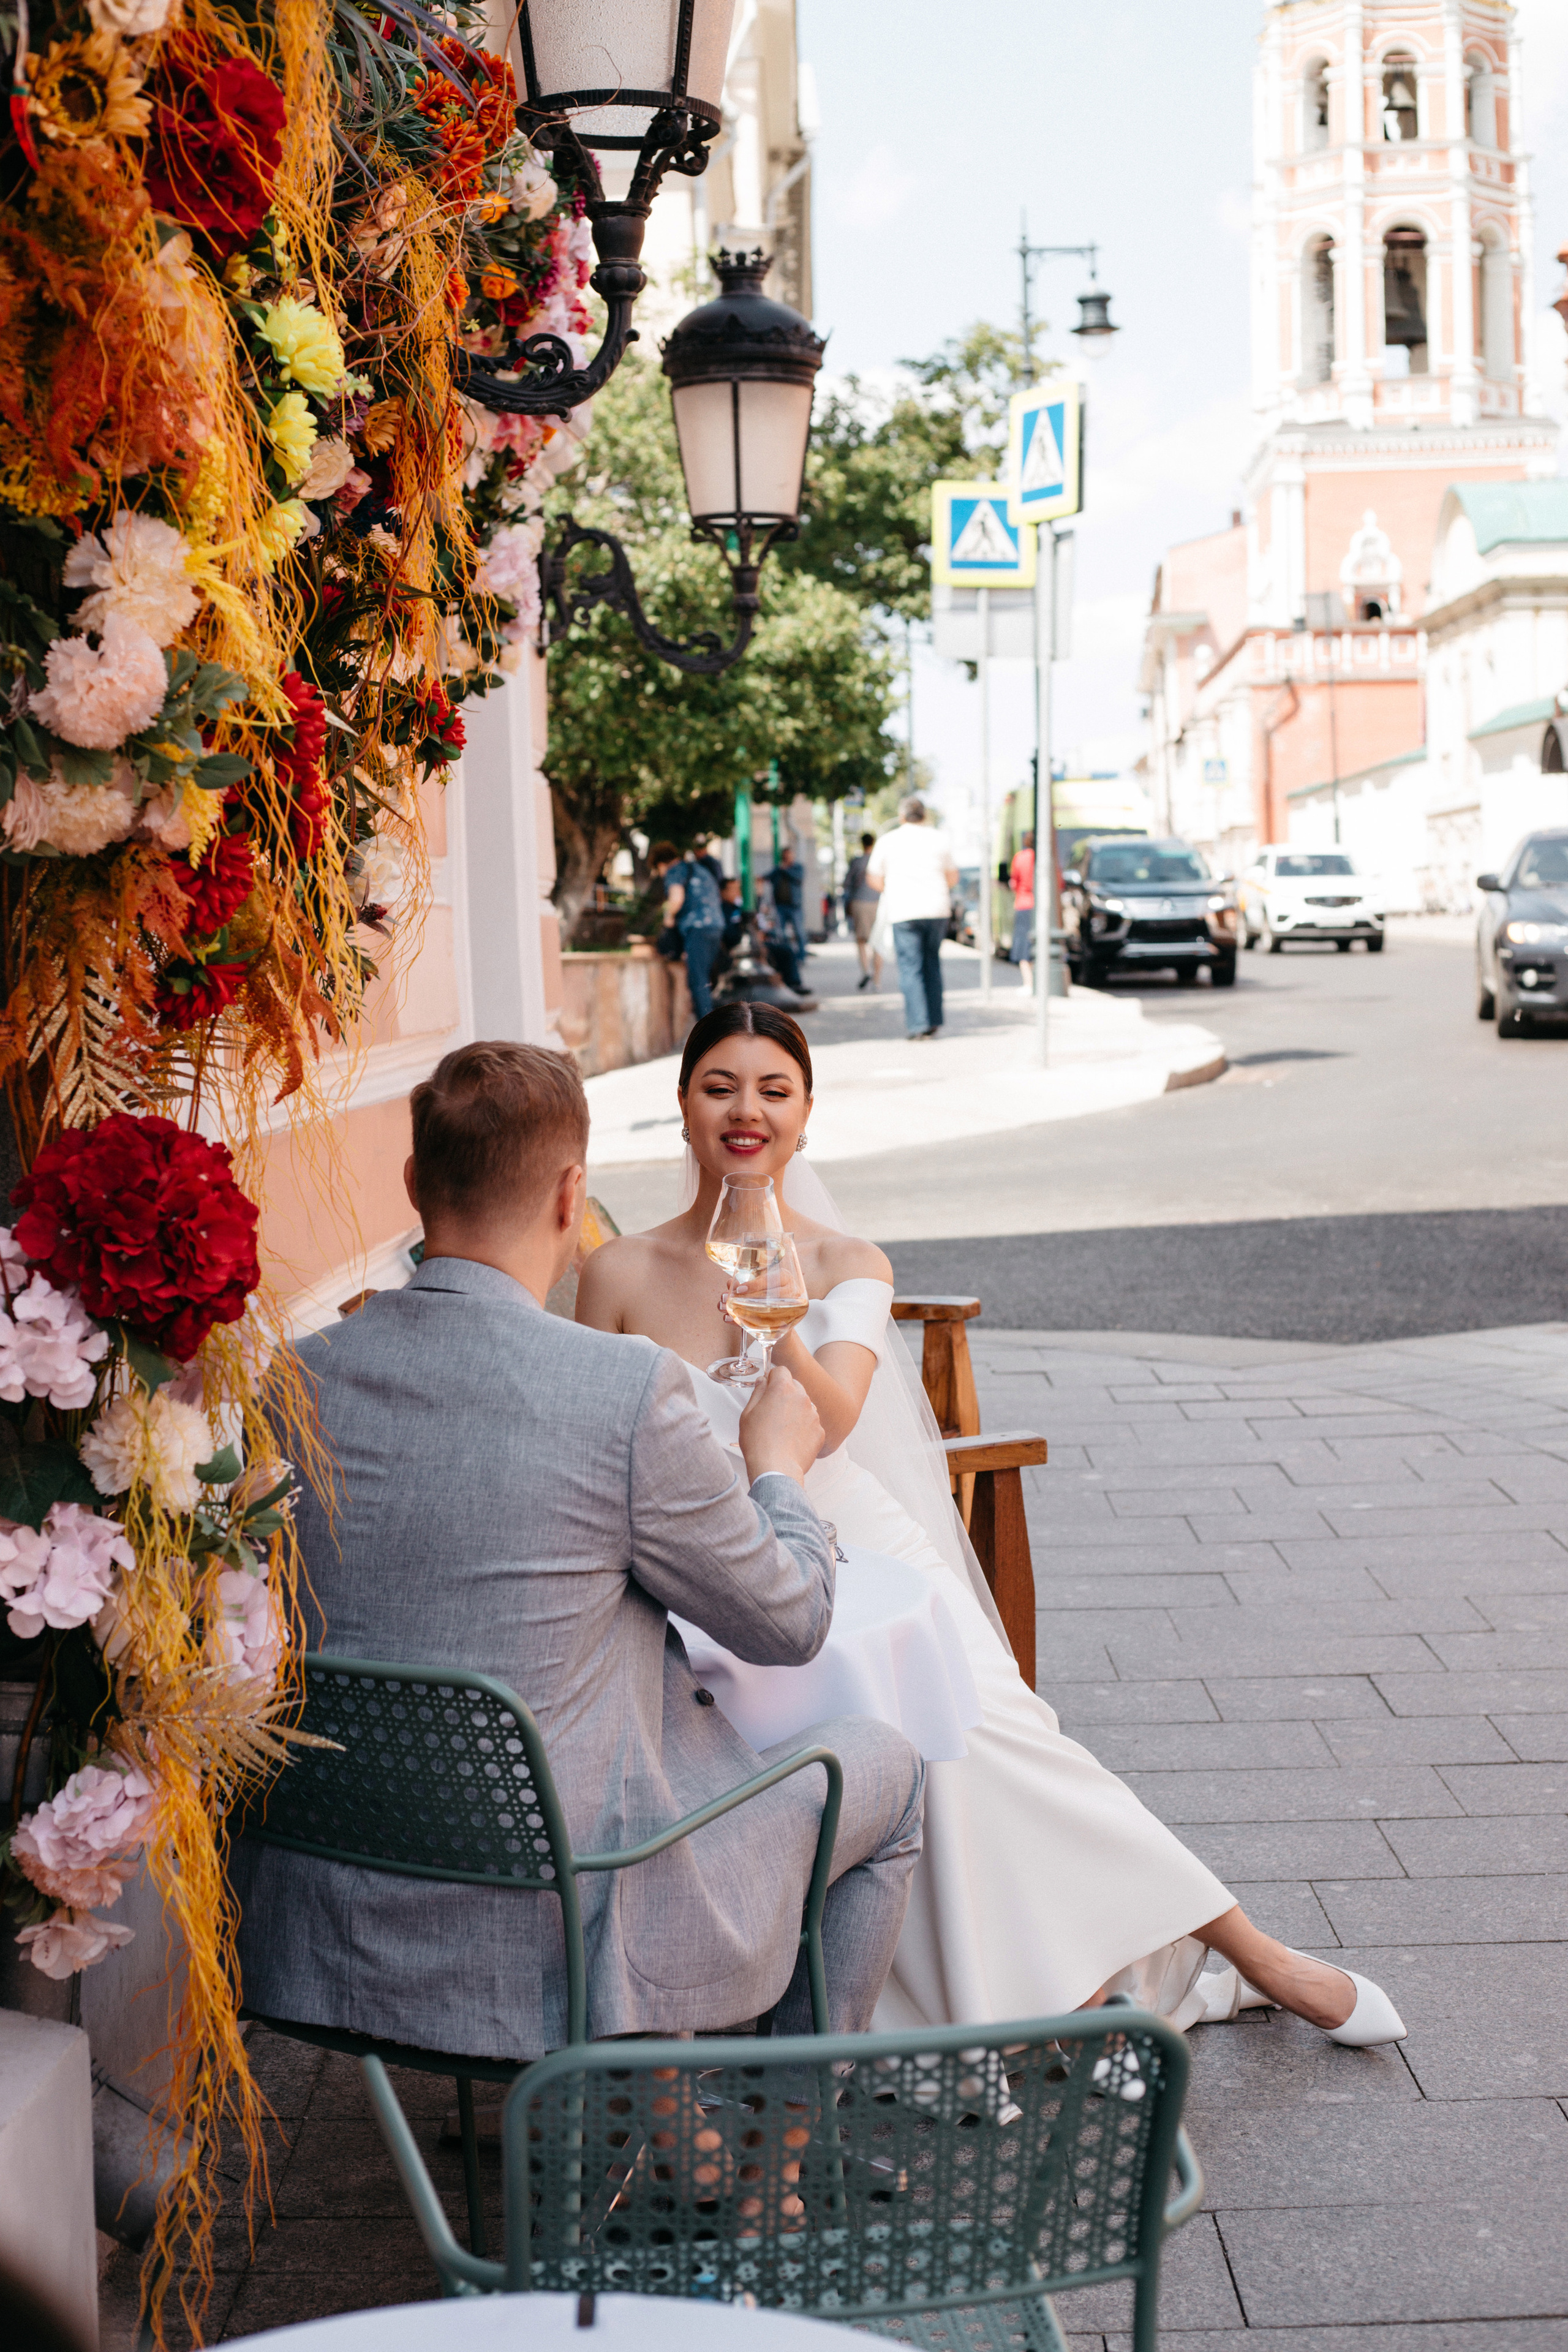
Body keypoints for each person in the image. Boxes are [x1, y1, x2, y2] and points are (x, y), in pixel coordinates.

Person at [577, 1003, 1408, 2051]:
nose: (746, 1110)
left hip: (853, 1541)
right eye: (719, 1086)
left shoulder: (845, 1261)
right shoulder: (618, 1274)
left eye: (773, 1090)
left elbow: (827, 1426)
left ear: (807, 1114)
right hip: (712, 1574)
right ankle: (982, 1991)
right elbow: (594, 1438)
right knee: (862, 1773)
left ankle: (1256, 1954)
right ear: (684, 1105)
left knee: (1006, 1744)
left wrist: (774, 1323)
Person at [232, 1040, 925, 2059]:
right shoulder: (624, 1392)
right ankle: (777, 2156)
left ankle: (672, 2120)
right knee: (891, 1766)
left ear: (417, 1183)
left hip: (321, 1923)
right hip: (571, 1923)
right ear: (572, 1195)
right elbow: (791, 1623)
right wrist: (777, 1466)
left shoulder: (291, 1378)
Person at [866, 797, 957, 1039]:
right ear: (924, 815)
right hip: (937, 909)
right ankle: (934, 1020)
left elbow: (873, 878)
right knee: (932, 964)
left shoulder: (888, 840)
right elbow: (953, 876)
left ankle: (918, 1025)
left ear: (902, 816)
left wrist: (892, 887)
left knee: (911, 968)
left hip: (904, 910)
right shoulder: (939, 838)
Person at [659, 839, 728, 1020]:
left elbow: (676, 899)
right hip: (716, 924)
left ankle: (708, 1031)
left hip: (698, 927)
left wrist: (667, 917)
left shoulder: (675, 871)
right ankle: (713, 1023)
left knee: (698, 980)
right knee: (705, 976)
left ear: (660, 864)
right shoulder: (699, 869)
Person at [843, 831, 881, 992]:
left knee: (861, 941)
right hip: (879, 903)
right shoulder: (879, 861)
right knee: (878, 943)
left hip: (859, 902)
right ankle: (877, 980)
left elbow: (847, 884)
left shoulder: (856, 862)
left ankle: (866, 971)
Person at [1008, 829, 1036, 996]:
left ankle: (1029, 984)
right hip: (1041, 906)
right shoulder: (1045, 858)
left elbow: (1014, 883)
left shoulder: (1020, 858)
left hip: (1024, 904)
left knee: (1024, 946)